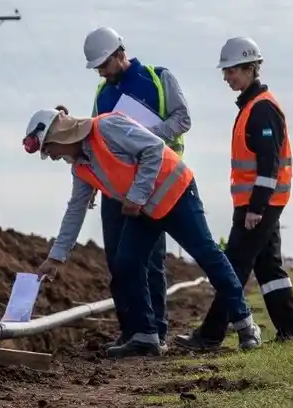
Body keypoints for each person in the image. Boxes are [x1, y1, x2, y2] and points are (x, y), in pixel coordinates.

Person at [25, 107, 262, 358]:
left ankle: (246, 325)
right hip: (146, 210)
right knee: (126, 264)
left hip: (177, 195)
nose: (52, 157)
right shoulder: (81, 168)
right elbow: (75, 210)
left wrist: (137, 195)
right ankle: (146, 336)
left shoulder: (106, 127)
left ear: (59, 136)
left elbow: (153, 149)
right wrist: (55, 257)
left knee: (208, 256)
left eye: (49, 150)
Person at [173, 37, 293, 352]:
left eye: (232, 71)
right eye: (226, 71)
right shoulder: (252, 106)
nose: (227, 77)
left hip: (259, 204)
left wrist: (257, 207)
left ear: (250, 68)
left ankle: (210, 335)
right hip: (258, 203)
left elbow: (269, 163)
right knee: (268, 268)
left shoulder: (261, 109)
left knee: (232, 266)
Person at [70, 27, 194, 349]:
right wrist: (96, 185)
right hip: (116, 189)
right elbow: (96, 140)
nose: (100, 72)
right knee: (118, 259)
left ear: (120, 54)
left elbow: (182, 119)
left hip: (154, 182)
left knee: (150, 260)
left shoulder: (158, 78)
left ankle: (156, 330)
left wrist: (144, 137)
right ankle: (132, 329)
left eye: (103, 65)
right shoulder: (102, 93)